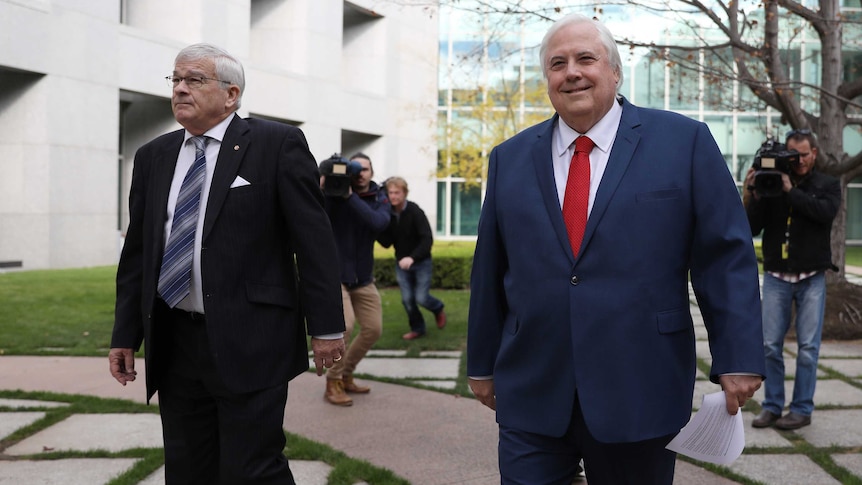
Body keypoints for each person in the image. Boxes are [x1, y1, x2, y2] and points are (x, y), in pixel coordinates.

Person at [466, 13, 766, 484]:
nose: (572, 72)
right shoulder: (510, 158)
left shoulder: (684, 143)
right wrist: (481, 363)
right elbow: (490, 269)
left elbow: (725, 258)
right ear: (547, 78)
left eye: (586, 58)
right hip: (533, 386)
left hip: (639, 384)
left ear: (615, 71)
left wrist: (740, 356)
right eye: (557, 63)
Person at [108, 43, 346, 485]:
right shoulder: (153, 156)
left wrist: (327, 326)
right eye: (175, 79)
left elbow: (314, 243)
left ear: (231, 94)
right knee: (187, 469)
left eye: (193, 80)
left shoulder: (277, 144)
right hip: (176, 340)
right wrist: (125, 334)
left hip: (252, 337)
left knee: (252, 470)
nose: (180, 89)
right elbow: (139, 253)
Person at [745, 129, 841, 430]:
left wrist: (790, 191)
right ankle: (772, 406)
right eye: (792, 154)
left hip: (811, 277)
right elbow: (751, 227)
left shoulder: (827, 184)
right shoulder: (772, 182)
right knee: (770, 345)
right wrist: (753, 193)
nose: (797, 160)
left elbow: (823, 213)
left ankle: (801, 409)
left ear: (814, 153)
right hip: (776, 276)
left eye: (803, 154)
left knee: (808, 348)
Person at [320, 152, 391, 406]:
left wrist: (349, 197)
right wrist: (324, 188)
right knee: (346, 326)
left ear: (372, 173)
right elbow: (315, 216)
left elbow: (379, 223)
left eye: (365, 169)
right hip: (336, 275)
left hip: (363, 277)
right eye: (355, 169)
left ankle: (345, 374)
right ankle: (333, 381)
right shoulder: (332, 195)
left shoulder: (378, 196)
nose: (361, 173)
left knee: (373, 329)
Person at [377, 176, 447, 340]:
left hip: (421, 262)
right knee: (407, 300)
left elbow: (427, 239)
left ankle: (437, 308)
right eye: (391, 193)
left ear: (405, 193)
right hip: (401, 263)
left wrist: (412, 258)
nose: (393, 196)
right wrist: (376, 228)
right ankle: (418, 328)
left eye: (397, 192)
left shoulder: (415, 211)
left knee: (421, 298)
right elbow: (387, 243)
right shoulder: (388, 214)